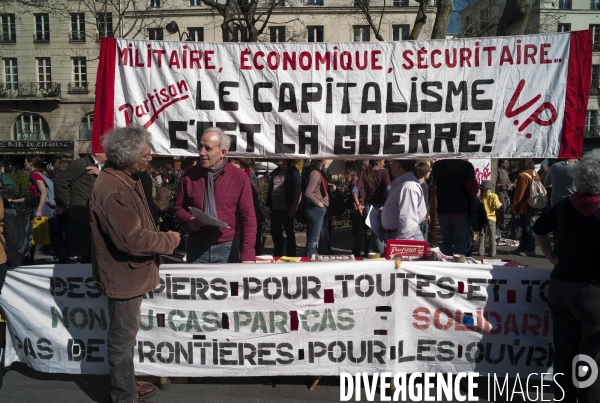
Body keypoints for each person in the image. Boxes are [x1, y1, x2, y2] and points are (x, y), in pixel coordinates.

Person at [90, 126, 180, 403]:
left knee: (126, 337)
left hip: (128, 274)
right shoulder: (114, 190)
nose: (150, 157)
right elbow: (133, 240)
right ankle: (124, 395)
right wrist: (169, 240)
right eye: (145, 154)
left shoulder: (126, 179)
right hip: (123, 276)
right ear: (127, 158)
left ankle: (126, 383)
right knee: (121, 340)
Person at [532, 150, 600, 402]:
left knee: (565, 353)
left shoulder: (565, 205)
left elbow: (538, 228)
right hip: (592, 291)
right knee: (591, 357)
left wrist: (551, 257)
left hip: (561, 287)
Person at [174, 127, 256, 263]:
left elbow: (248, 218)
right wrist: (189, 220)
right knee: (197, 285)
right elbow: (178, 208)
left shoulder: (239, 178)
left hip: (227, 249)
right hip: (196, 247)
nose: (201, 152)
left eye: (208, 148)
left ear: (223, 152)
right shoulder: (188, 175)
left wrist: (248, 254)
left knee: (229, 285)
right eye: (200, 147)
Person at [10, 155, 70, 264]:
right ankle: (62, 260)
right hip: (42, 207)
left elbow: (43, 193)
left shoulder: (36, 176)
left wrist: (39, 210)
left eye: (25, 162)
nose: (24, 164)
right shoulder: (37, 174)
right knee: (46, 235)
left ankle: (63, 260)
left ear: (31, 163)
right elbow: (34, 196)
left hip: (43, 208)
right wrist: (16, 200)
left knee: (46, 235)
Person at [55, 151, 107, 263]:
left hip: (98, 210)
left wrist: (101, 174)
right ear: (97, 153)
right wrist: (67, 202)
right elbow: (60, 181)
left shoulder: (106, 166)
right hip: (83, 211)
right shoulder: (80, 164)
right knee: (87, 248)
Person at [431, 159, 479, 256]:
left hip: (443, 210)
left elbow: (434, 185)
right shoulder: (467, 166)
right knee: (461, 245)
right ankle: (459, 269)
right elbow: (472, 190)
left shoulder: (437, 165)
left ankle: (445, 268)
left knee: (446, 243)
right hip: (462, 211)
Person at [381, 159, 427, 241]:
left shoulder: (407, 187)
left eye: (391, 162)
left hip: (404, 238)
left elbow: (408, 221)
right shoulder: (403, 184)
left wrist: (399, 246)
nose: (389, 166)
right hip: (400, 236)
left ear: (397, 164)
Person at [353, 159, 391, 254]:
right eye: (383, 160)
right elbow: (388, 191)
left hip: (367, 207)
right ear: (378, 162)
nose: (384, 162)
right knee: (378, 235)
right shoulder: (384, 173)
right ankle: (382, 257)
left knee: (374, 235)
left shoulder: (365, 173)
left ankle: (370, 257)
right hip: (379, 207)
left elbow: (354, 190)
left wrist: (359, 205)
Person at [229, 157, 265, 256]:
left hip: (251, 221)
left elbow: (248, 206)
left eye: (234, 168)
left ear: (243, 168)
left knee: (252, 250)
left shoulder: (248, 181)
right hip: (241, 223)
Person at [266, 159, 301, 257]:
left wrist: (294, 207)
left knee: (289, 233)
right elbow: (271, 189)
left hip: (287, 209)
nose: (277, 159)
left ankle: (291, 256)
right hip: (275, 209)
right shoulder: (276, 171)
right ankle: (277, 255)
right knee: (275, 234)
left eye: (280, 158)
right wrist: (270, 207)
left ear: (286, 159)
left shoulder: (293, 171)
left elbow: (298, 190)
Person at [511, 158, 540, 257]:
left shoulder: (522, 176)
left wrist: (515, 207)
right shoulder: (535, 174)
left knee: (526, 227)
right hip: (534, 203)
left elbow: (519, 194)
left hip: (524, 206)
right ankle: (522, 246)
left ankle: (530, 248)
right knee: (525, 227)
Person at [304, 159, 329, 257]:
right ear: (321, 160)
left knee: (318, 238)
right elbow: (308, 192)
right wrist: (319, 203)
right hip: (316, 209)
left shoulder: (318, 173)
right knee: (313, 240)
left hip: (318, 208)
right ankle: (309, 262)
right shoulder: (315, 173)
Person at [477, 180, 502, 257]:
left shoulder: (481, 196)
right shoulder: (494, 196)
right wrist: (500, 204)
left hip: (482, 217)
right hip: (491, 217)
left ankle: (481, 251)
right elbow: (497, 206)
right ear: (490, 188)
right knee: (491, 235)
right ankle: (492, 253)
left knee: (482, 235)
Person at [414, 162, 431, 244]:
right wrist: (427, 214)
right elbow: (425, 201)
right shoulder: (424, 185)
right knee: (423, 235)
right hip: (423, 215)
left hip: (415, 214)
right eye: (429, 172)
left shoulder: (414, 183)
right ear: (425, 174)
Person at [496, 159, 512, 227]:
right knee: (502, 207)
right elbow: (496, 183)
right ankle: (501, 223)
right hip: (500, 192)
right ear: (502, 164)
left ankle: (502, 222)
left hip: (506, 192)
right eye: (506, 163)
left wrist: (510, 183)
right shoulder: (498, 171)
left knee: (505, 207)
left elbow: (508, 180)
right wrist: (504, 185)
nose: (507, 164)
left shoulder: (506, 171)